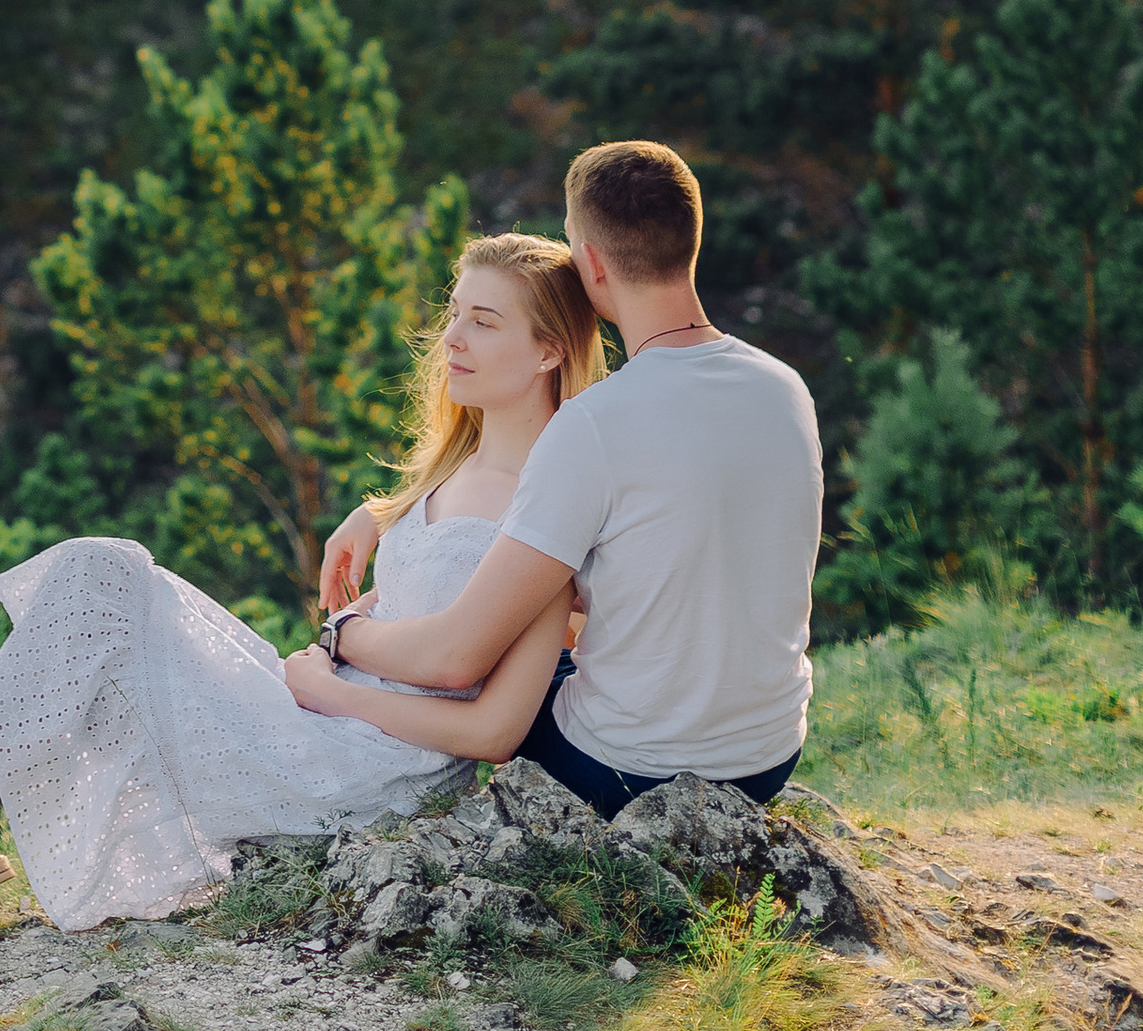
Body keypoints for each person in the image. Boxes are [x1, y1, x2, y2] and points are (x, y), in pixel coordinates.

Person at [0, 231, 603, 943]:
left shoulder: (548, 505)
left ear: (551, 349)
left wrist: (331, 667)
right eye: (454, 312)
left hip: (355, 767)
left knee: (101, 586)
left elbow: (494, 730)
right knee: (99, 570)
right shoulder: (448, 472)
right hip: (316, 718)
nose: (451, 338)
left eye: (484, 321)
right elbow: (413, 585)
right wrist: (387, 515)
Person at [292, 139, 821, 813]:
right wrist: (383, 514)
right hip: (769, 755)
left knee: (477, 667)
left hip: (627, 769)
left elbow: (456, 655)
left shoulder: (594, 423)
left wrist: (342, 636)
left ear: (592, 262)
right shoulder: (785, 390)